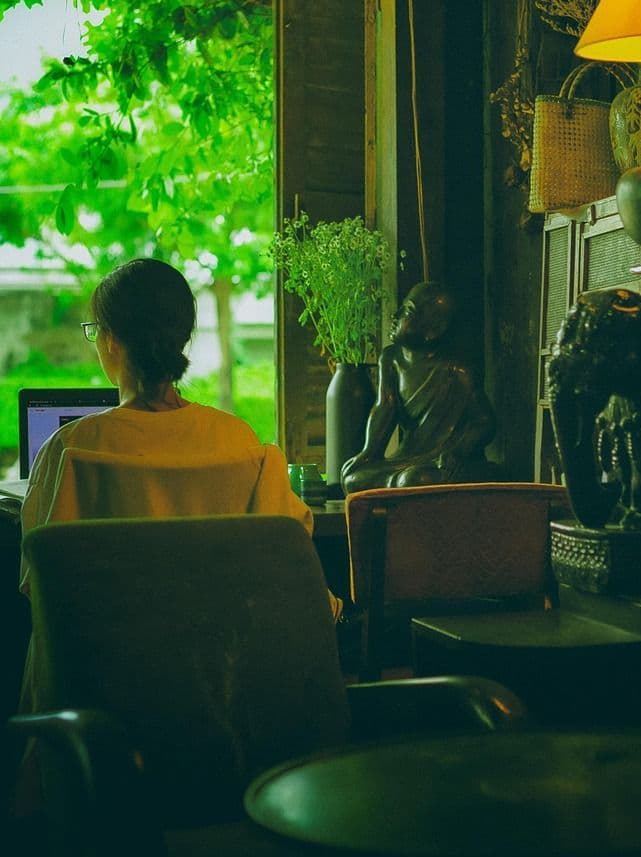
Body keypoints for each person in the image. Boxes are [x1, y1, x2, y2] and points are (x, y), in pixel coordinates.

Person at [19, 258, 341, 613]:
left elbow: (41, 586)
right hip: (220, 663)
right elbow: (287, 560)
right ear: (183, 339)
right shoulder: (240, 442)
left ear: (110, 340)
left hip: (102, 663)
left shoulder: (69, 449)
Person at [341, 281, 496, 493]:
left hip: (442, 461)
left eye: (408, 311)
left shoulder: (455, 369)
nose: (395, 316)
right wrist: (369, 452)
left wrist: (458, 451)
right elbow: (384, 408)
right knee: (352, 478)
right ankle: (395, 483)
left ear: (433, 330)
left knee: (417, 479)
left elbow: (483, 420)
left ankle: (398, 484)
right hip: (408, 459)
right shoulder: (391, 359)